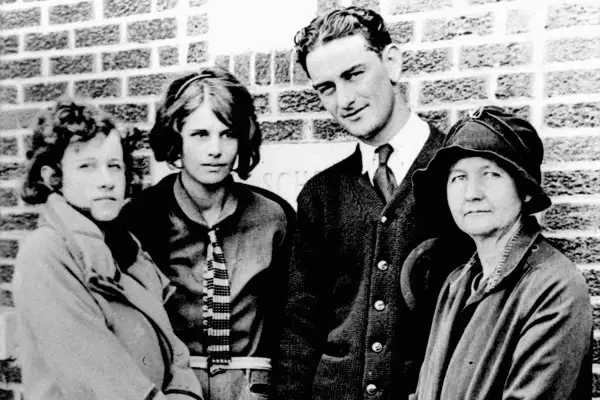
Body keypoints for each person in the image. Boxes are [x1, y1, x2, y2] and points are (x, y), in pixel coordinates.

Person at [274, 6, 469, 399]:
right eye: (326, 87)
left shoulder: (458, 174)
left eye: (354, 74)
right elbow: (299, 329)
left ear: (391, 62)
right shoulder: (321, 194)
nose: (344, 99)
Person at [120, 67, 294, 400]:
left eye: (227, 134)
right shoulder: (143, 217)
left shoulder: (274, 218)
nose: (215, 149)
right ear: (177, 139)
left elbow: (296, 324)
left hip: (253, 386)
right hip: (174, 387)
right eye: (200, 134)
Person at [14, 99, 202, 400]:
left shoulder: (127, 252)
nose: (106, 181)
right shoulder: (46, 253)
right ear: (54, 178)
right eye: (87, 166)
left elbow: (176, 355)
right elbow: (100, 379)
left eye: (114, 166)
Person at [409, 105, 592, 400]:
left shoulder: (554, 288)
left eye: (490, 174)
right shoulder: (456, 284)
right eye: (458, 178)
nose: (472, 193)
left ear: (526, 190)